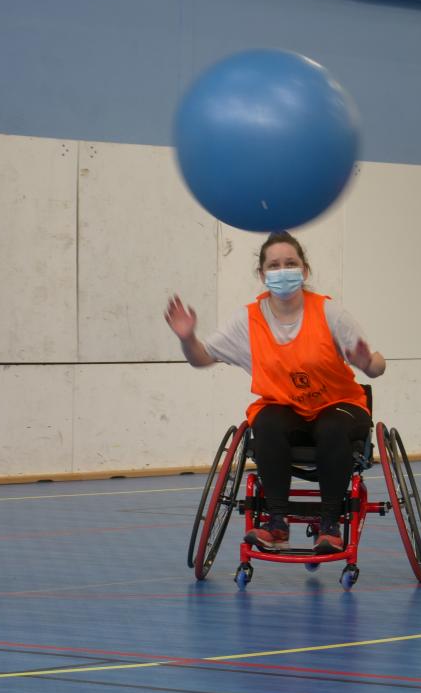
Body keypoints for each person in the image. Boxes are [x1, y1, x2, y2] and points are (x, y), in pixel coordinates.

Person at [165, 231, 385, 554]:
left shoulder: (328, 313)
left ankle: (329, 525)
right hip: (286, 410)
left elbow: (378, 365)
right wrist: (187, 338)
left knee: (330, 426)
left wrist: (368, 363)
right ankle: (276, 522)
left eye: (291, 263)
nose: (283, 270)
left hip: (339, 405)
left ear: (305, 270)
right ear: (262, 274)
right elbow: (201, 357)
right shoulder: (248, 321)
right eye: (275, 265)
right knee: (264, 421)